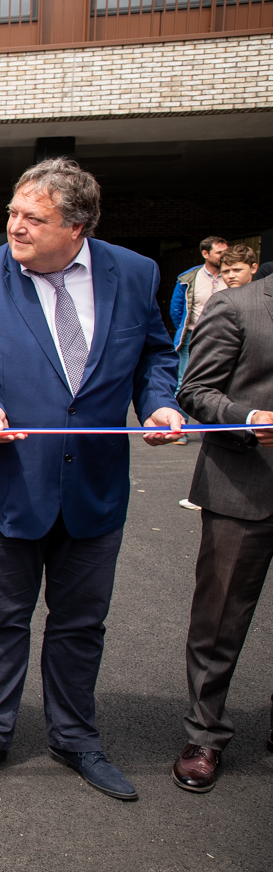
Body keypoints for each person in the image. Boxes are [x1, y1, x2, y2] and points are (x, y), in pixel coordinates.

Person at [0, 157, 182, 801]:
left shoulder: (134, 273)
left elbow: (155, 354)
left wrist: (159, 402)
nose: (15, 226)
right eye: (12, 212)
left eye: (33, 218)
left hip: (95, 487)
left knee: (81, 624)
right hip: (8, 485)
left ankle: (75, 738)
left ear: (77, 227)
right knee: (3, 617)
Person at [170, 275, 273, 791]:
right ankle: (205, 735)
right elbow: (194, 390)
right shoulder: (237, 307)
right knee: (220, 620)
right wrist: (248, 417)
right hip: (244, 485)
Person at [169, 235, 228, 390]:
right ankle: (180, 407)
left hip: (223, 335)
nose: (224, 256)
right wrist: (187, 328)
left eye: (226, 252)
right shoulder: (188, 278)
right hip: (192, 335)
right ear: (205, 254)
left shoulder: (230, 275)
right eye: (219, 252)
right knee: (184, 380)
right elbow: (176, 309)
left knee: (219, 381)